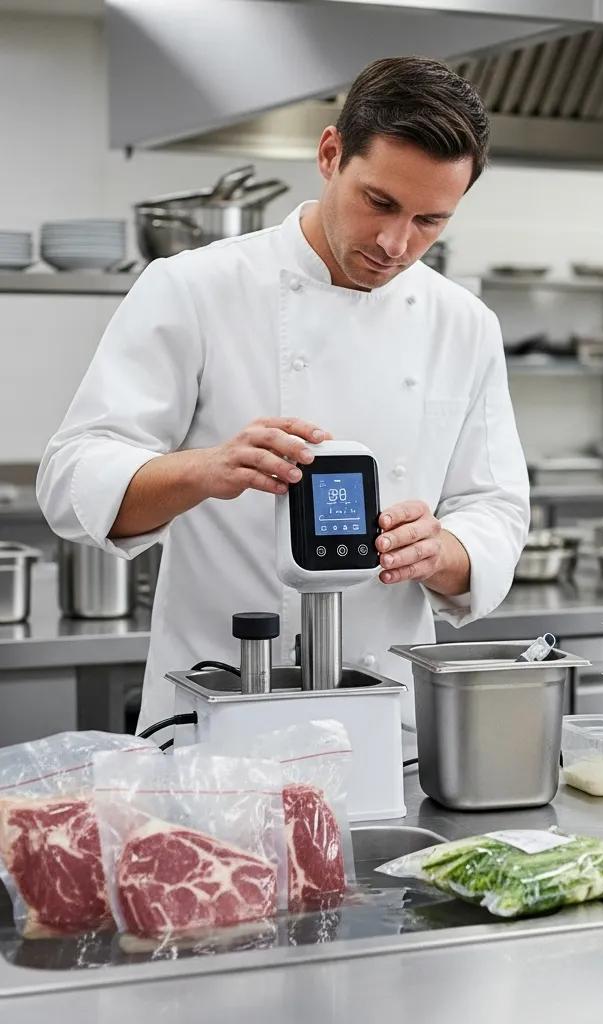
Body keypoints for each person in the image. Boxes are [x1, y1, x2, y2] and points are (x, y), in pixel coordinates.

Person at [37, 57, 531, 731]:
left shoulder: (463, 322)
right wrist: (202, 470)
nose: (395, 243)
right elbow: (70, 478)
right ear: (330, 154)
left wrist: (443, 551)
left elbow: (495, 508)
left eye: (430, 221)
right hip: (215, 707)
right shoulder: (195, 287)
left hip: (385, 715)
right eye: (380, 203)